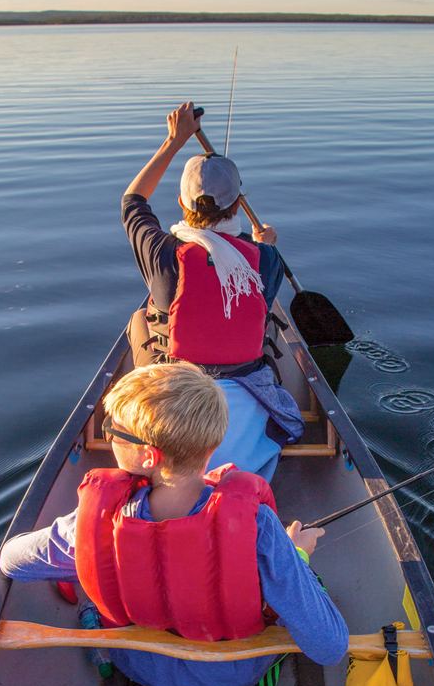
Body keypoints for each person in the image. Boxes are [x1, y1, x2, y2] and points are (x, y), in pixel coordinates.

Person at [0, 363, 348, 686]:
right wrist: (298, 553)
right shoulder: (259, 528)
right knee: (293, 600)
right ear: (214, 443)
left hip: (139, 660)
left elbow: (10, 561)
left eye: (114, 431)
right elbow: (330, 647)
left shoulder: (91, 524)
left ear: (147, 456)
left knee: (95, 601)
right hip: (231, 671)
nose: (108, 434)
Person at [122, 101, 304, 482]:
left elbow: (132, 201)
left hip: (179, 393)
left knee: (141, 319)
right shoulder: (267, 259)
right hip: (243, 388)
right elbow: (254, 295)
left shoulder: (162, 253)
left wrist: (175, 141)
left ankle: (146, 396)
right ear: (238, 203)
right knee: (264, 321)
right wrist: (268, 244)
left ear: (181, 204)